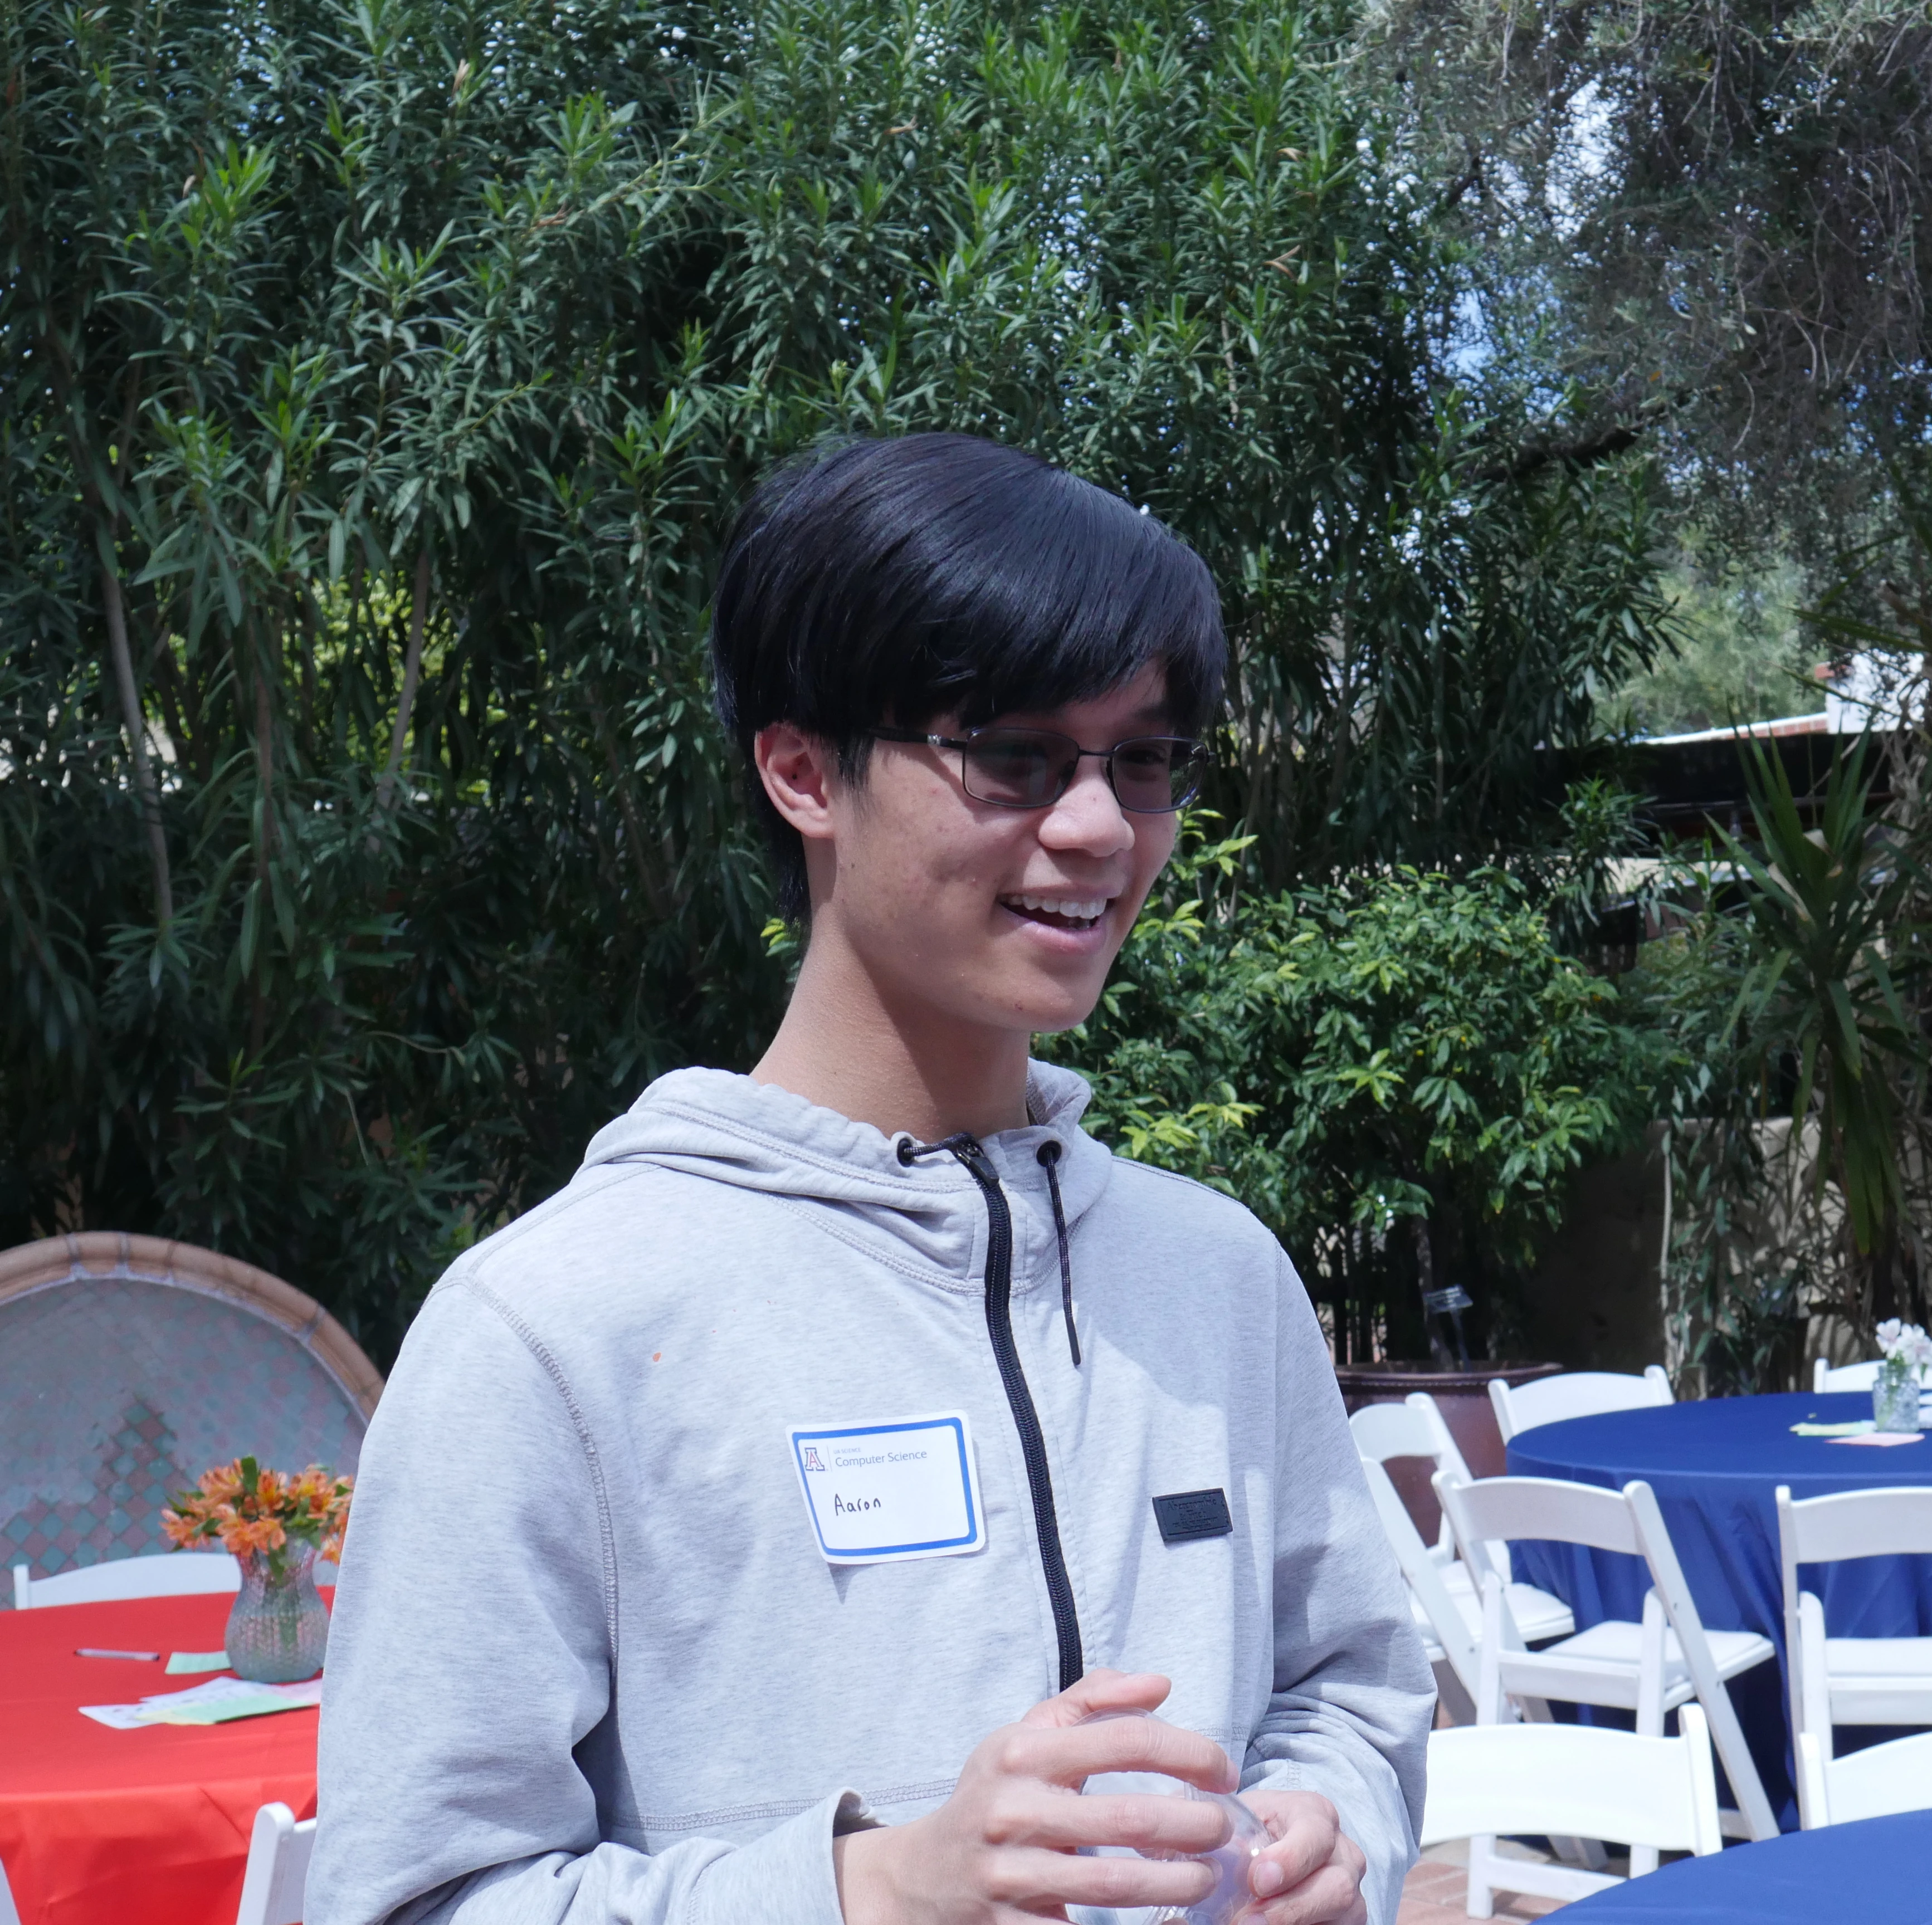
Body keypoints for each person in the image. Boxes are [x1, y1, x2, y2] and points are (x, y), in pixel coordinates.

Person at [311, 434, 1433, 1925]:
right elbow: (409, 1897)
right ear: (800, 771)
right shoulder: (554, 1327)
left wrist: (1326, 1824)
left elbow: (1347, 1690)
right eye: (1013, 755)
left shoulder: (1218, 1276)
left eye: (1143, 760)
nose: (1098, 827)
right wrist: (868, 1889)